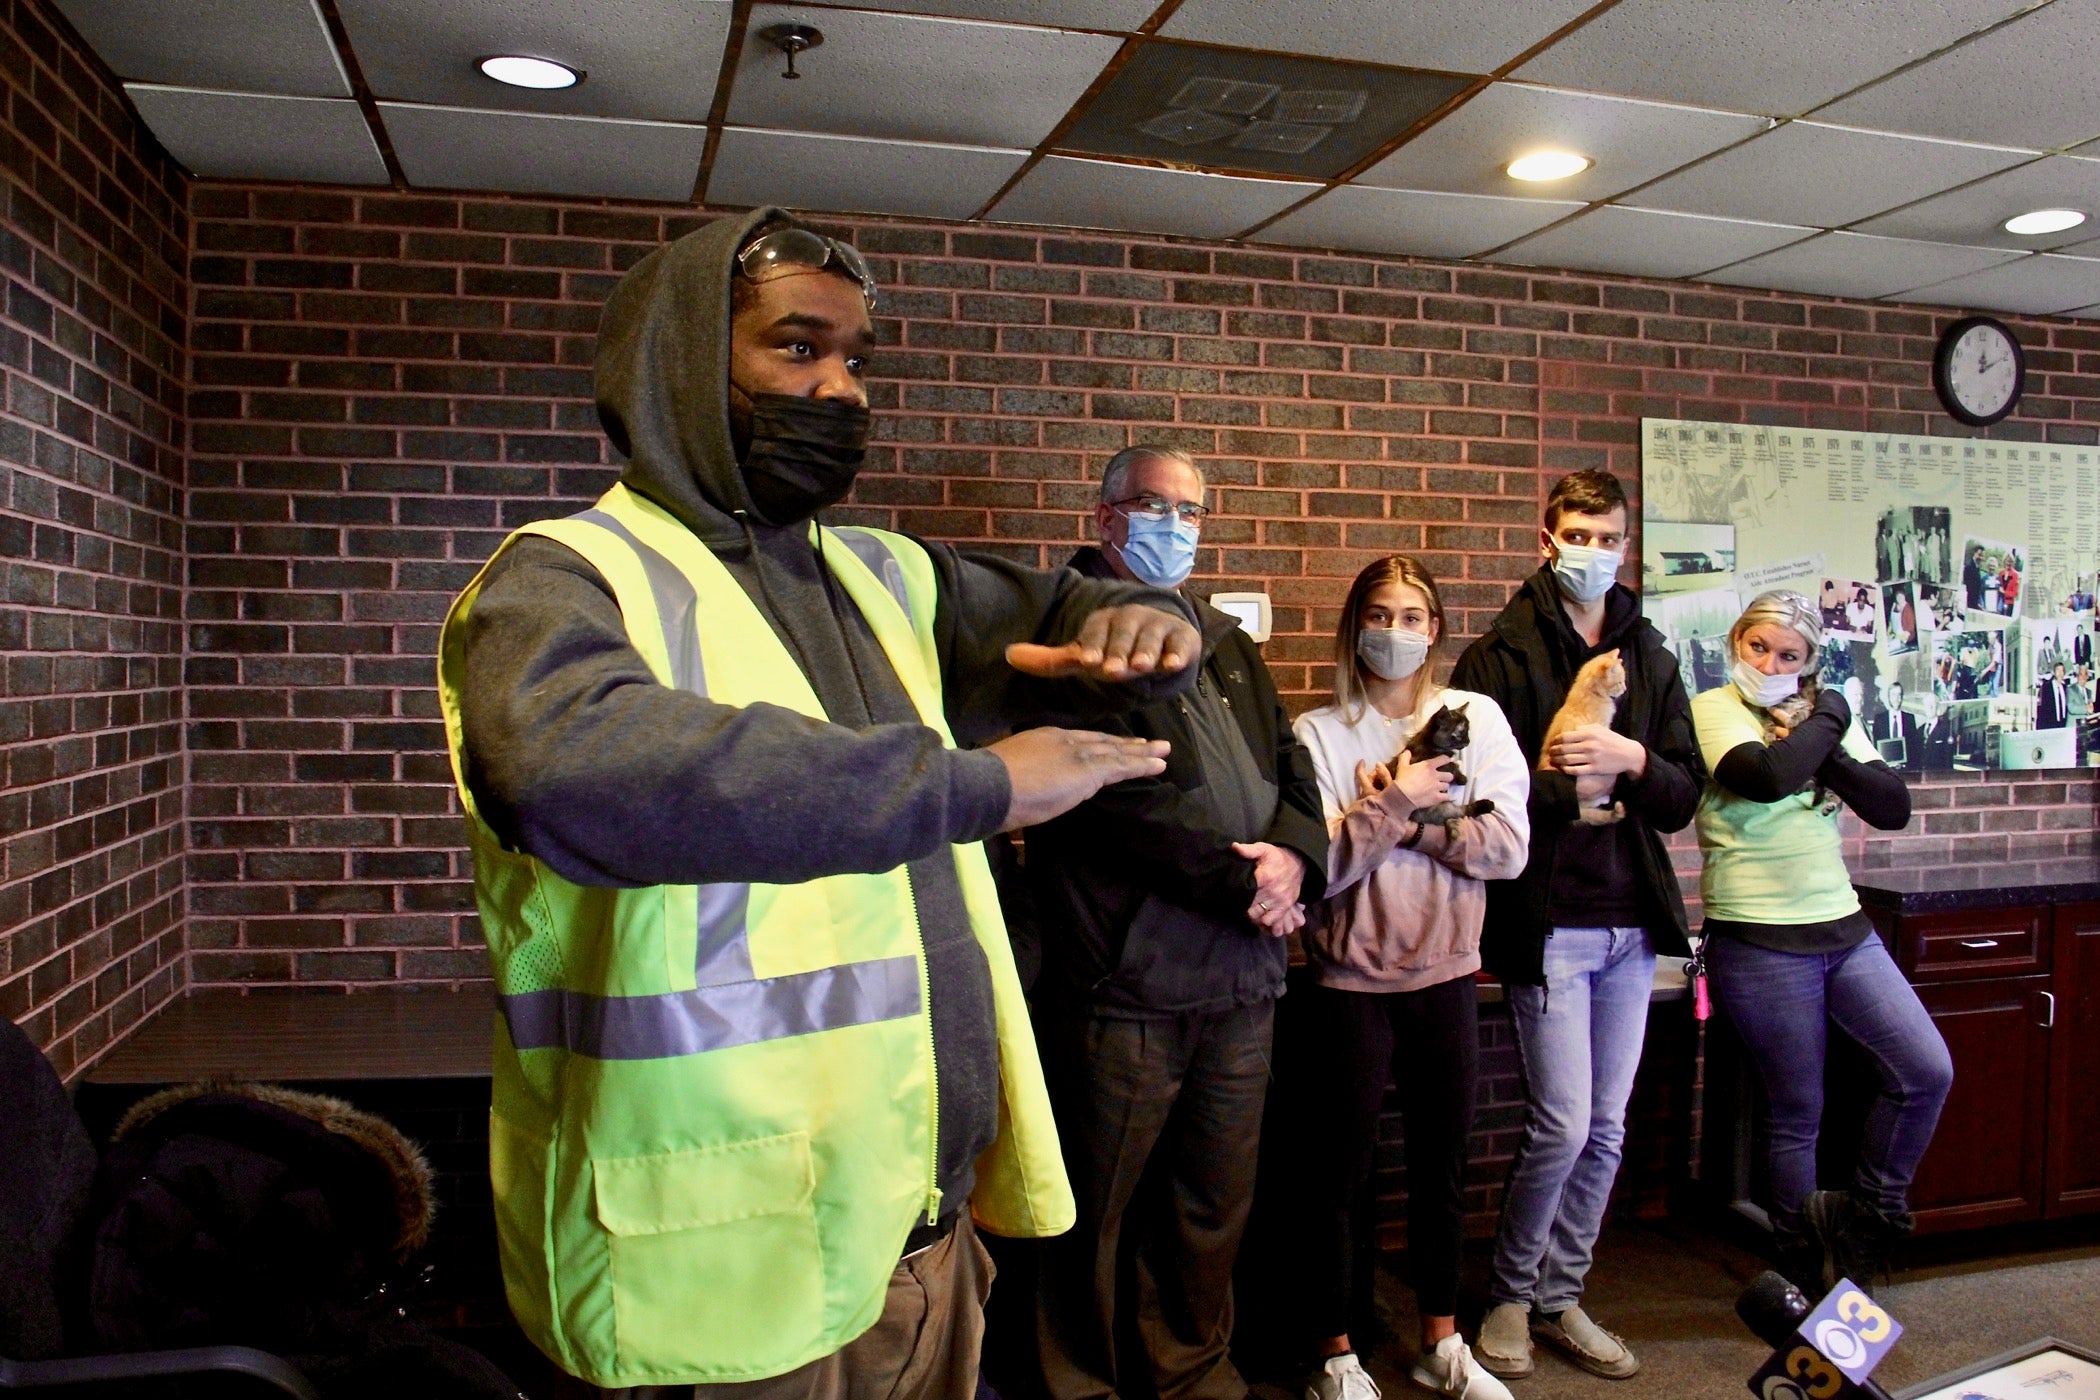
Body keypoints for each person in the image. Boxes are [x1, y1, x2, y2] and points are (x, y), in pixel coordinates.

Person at [437, 209, 1208, 1398]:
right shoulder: (565, 576)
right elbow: (570, 767)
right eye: (798, 350)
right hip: (724, 1253)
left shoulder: (879, 568)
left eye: (856, 360)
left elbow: (1067, 606)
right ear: (685, 362)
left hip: (916, 1222)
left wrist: (1151, 624)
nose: (841, 391)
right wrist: (981, 785)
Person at [1026, 446, 1329, 1400]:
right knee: (1094, 1205)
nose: (1175, 527)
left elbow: (1294, 769)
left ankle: (1191, 1371)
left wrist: (1297, 860)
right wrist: (1250, 885)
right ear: (1108, 516)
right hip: (1126, 986)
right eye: (1155, 507)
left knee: (1212, 1202)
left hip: (1242, 982)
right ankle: (1078, 1381)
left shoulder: (1226, 640)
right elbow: (1113, 797)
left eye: (1192, 512)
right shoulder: (1076, 632)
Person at [1450, 469, 1705, 1383]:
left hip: (1632, 925)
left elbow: (1683, 794)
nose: (1594, 550)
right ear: (1546, 536)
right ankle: (1511, 1296)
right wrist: (1574, 785)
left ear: (1626, 544)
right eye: (1578, 533)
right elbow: (1479, 794)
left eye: (1609, 536)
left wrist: (1632, 756)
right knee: (1559, 1126)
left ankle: (1563, 1294)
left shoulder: (1654, 653)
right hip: (1545, 922)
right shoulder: (1498, 655)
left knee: (1607, 1127)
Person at [1290, 557, 1531, 1400]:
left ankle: (1441, 1340)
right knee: (1337, 1175)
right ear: (1355, 625)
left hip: (1446, 976)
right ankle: (1335, 1353)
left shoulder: (1476, 719)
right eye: (1380, 614)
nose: (1395, 631)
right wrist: (1398, 804)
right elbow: (1318, 865)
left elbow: (1507, 849)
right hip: (1346, 987)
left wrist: (1404, 818)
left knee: (1444, 1167)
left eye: (1414, 615)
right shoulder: (1315, 735)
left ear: (1436, 628)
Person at [1690, 590, 1949, 1295]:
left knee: (1925, 1070)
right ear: (1736, 643)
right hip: (1759, 937)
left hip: (1844, 927)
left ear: (1809, 663)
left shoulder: (1813, 722)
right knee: (1797, 1111)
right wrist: (1832, 716)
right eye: (1758, 647)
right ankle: (1803, 1264)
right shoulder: (1715, 709)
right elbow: (1765, 776)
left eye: (1789, 655)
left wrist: (1821, 737)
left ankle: (1867, 1221)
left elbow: (1890, 805)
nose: (1771, 663)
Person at [2038, 661, 2072, 729]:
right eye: (2058, 670)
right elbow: (2042, 709)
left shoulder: (2066, 688)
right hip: (2050, 725)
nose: (2060, 673)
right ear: (2054, 672)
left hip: (2063, 725)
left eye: (2062, 670)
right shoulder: (2046, 687)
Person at [1963, 545, 1986, 611]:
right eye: (1979, 555)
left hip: (1975, 603)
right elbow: (1969, 588)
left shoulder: (1978, 568)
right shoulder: (1968, 567)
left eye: (1982, 556)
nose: (1980, 558)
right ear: (1974, 553)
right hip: (1969, 603)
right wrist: (1976, 604)